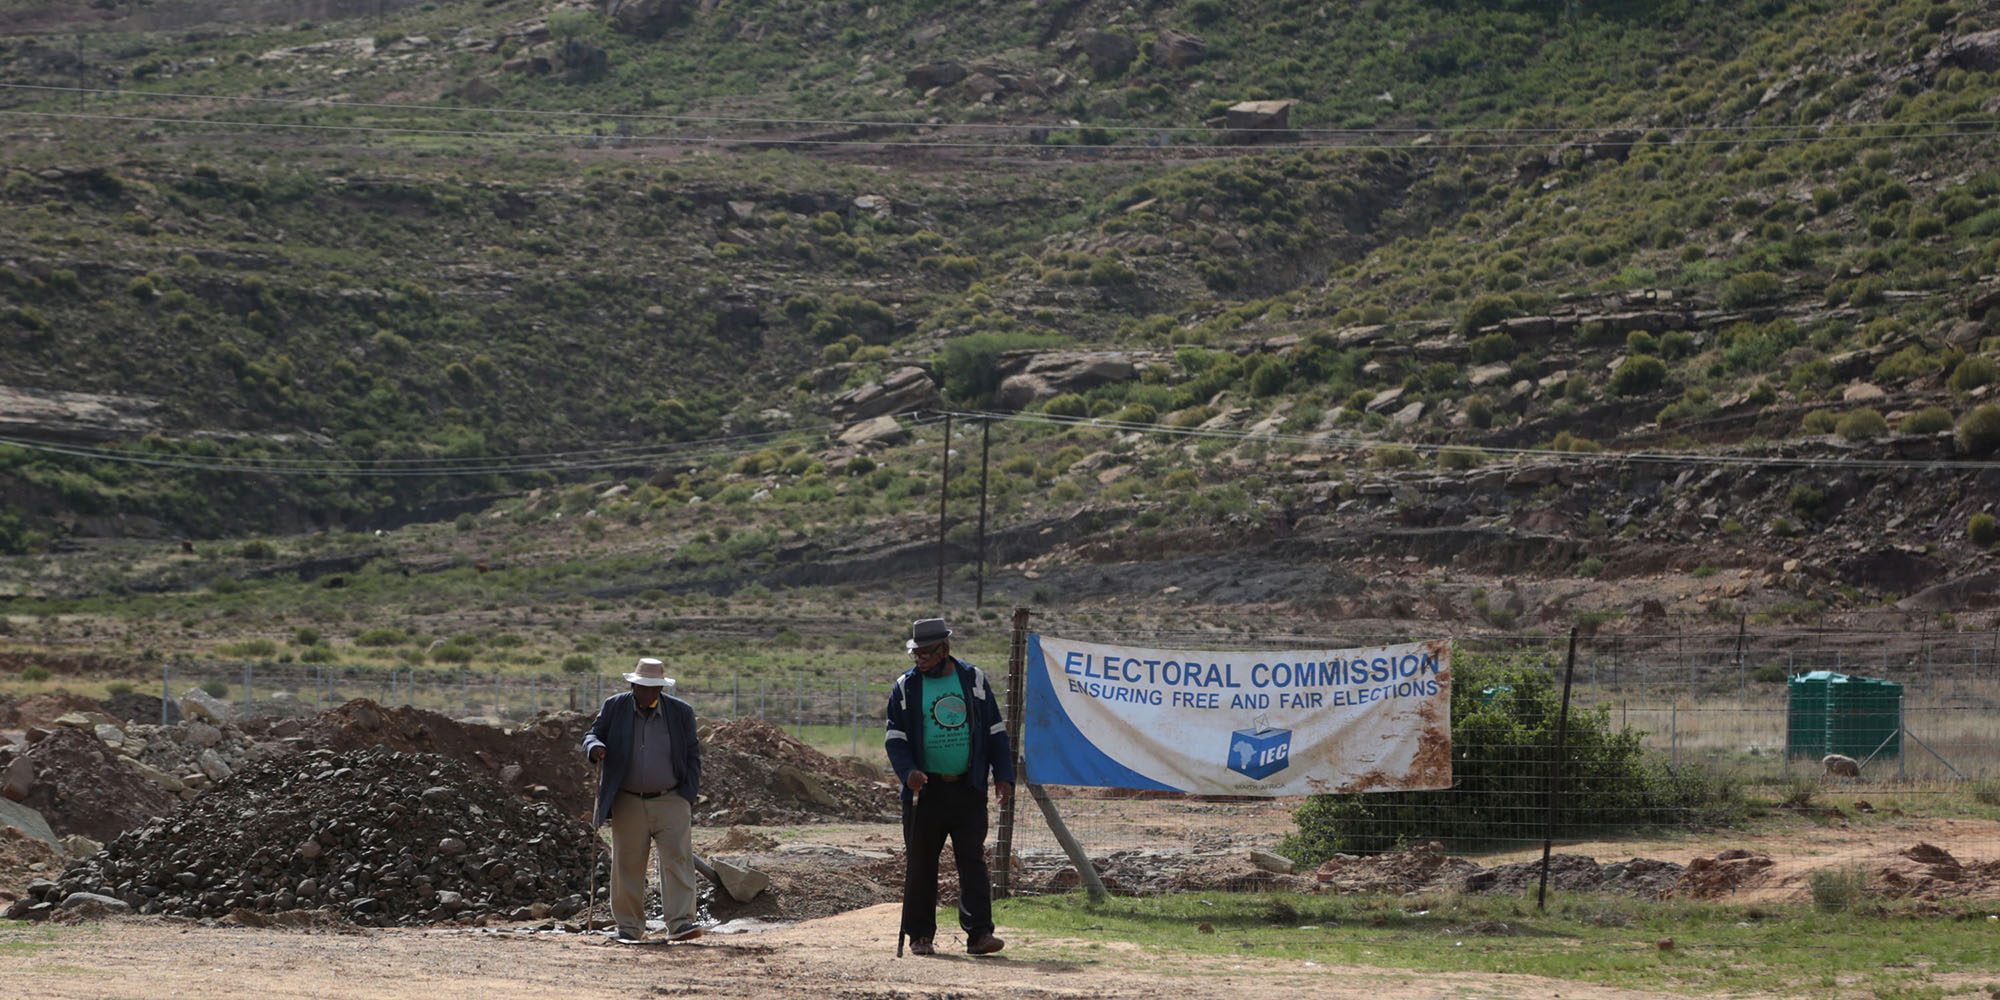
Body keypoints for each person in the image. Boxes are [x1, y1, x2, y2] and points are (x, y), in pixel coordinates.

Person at [884, 618, 1015, 957]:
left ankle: (979, 936)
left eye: (926, 653)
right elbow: (895, 738)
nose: (920, 659)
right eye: (916, 654)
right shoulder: (906, 687)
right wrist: (908, 772)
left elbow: (995, 731)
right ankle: (920, 935)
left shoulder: (973, 680)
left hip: (968, 790)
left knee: (972, 862)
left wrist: (1003, 774)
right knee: (921, 863)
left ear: (945, 649)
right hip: (923, 793)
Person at [584, 657, 703, 942]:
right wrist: (595, 746)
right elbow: (591, 734)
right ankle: (629, 927)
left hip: (671, 798)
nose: (648, 694)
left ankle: (680, 924)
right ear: (633, 686)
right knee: (627, 864)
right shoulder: (615, 707)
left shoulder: (680, 712)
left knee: (677, 860)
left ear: (661, 689)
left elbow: (692, 753)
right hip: (627, 800)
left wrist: (687, 795)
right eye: (643, 688)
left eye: (654, 689)